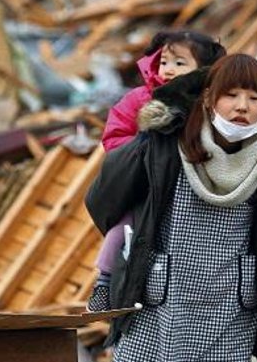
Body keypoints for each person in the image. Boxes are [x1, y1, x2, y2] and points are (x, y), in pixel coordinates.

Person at [86, 54, 257, 362]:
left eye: (254, 98)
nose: (242, 106)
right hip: (162, 301)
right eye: (231, 95)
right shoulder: (167, 145)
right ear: (209, 98)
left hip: (232, 308)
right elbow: (106, 195)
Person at [89, 30, 225, 311]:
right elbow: (114, 138)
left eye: (179, 63)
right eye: (164, 62)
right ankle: (104, 281)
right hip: (147, 185)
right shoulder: (140, 99)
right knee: (125, 226)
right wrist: (144, 151)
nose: (169, 70)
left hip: (193, 188)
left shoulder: (209, 103)